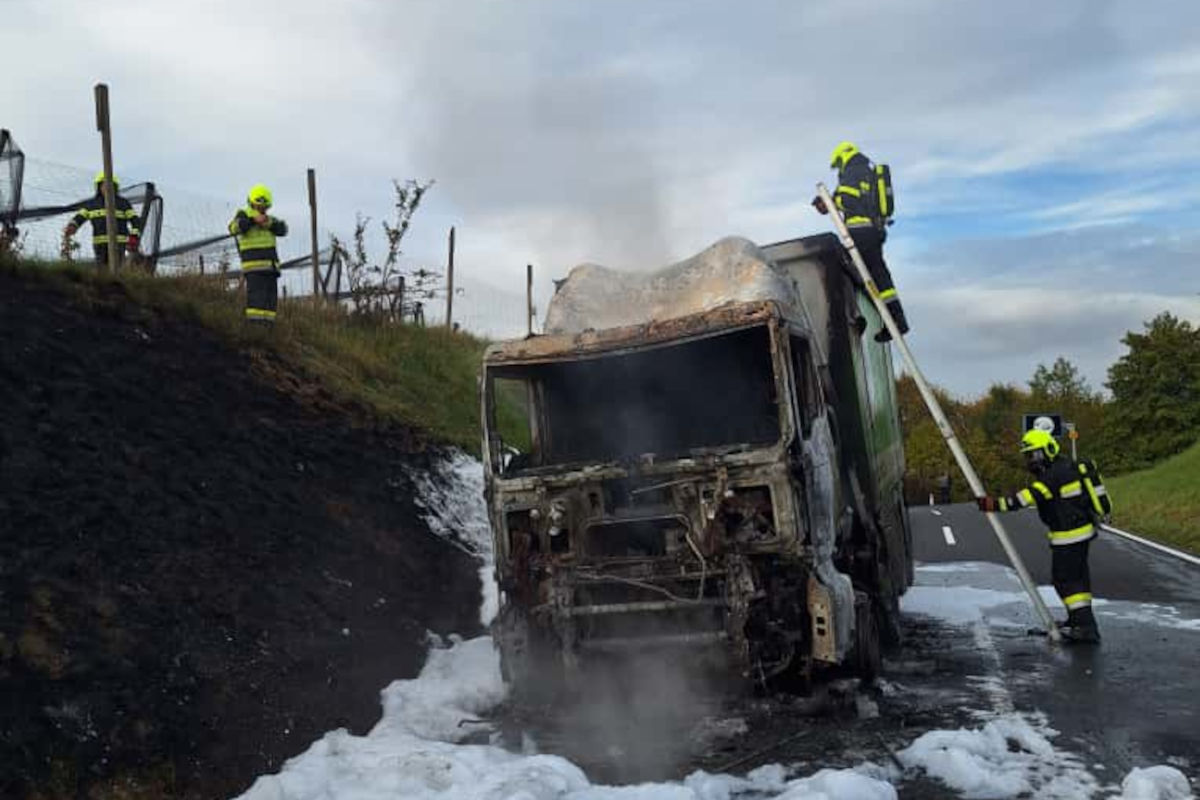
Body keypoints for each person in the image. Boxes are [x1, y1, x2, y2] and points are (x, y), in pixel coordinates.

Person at [975, 429, 1113, 643]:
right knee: (1077, 580)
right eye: (1029, 456)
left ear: (1048, 450)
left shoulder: (1052, 477)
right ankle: (1080, 621)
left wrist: (993, 504)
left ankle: (1084, 627)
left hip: (1068, 536)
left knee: (1065, 581)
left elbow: (1023, 499)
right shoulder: (1066, 468)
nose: (1031, 461)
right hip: (1079, 534)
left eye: (1035, 454)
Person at [812, 141, 909, 341]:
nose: (838, 169)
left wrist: (830, 201)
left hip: (860, 232)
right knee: (880, 278)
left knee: (845, 270)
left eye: (838, 164)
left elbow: (849, 199)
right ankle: (897, 321)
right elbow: (856, 199)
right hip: (873, 231)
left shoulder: (853, 171)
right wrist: (830, 203)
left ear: (843, 157)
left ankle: (853, 316)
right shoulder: (866, 170)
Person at [228, 184, 288, 324]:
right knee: (256, 301)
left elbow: (283, 229)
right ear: (252, 203)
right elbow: (233, 228)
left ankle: (268, 331)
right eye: (259, 205)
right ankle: (255, 330)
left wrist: (268, 224)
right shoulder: (243, 214)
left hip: (271, 268)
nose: (263, 209)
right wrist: (253, 221)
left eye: (265, 206)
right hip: (254, 267)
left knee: (270, 302)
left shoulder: (270, 220)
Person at [64, 172, 140, 267]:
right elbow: (79, 218)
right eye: (104, 185)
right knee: (102, 270)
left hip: (118, 244)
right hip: (99, 245)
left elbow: (136, 221)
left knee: (116, 269)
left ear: (115, 187)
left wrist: (133, 236)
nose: (107, 188)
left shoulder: (123, 203)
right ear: (99, 187)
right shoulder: (91, 204)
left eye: (111, 185)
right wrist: (72, 226)